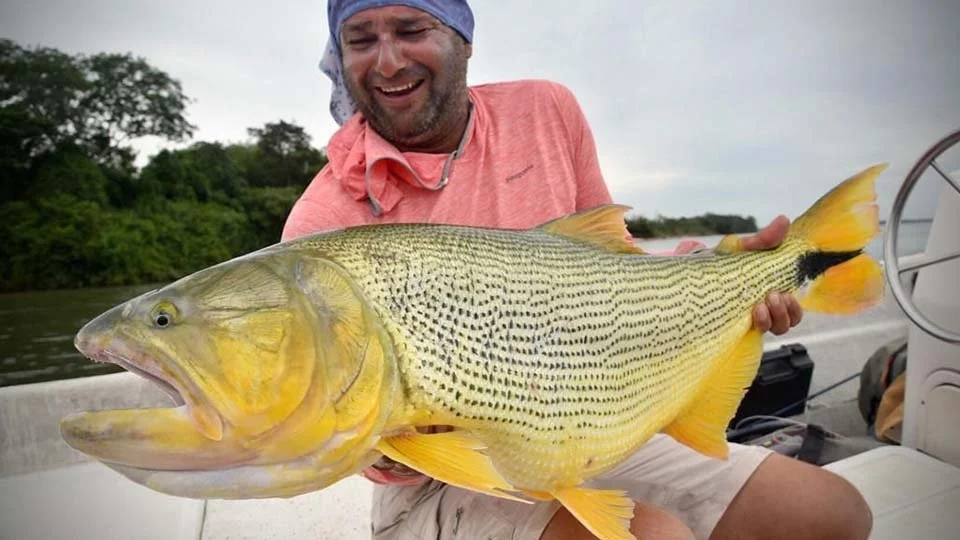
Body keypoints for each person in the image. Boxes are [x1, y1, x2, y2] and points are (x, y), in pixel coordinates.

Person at [283, 1, 872, 538]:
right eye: (360, 39)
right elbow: (332, 431)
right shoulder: (323, 223)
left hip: (595, 414)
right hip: (440, 480)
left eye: (412, 29)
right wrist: (373, 440)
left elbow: (613, 269)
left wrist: (715, 273)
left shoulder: (546, 110)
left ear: (463, 38)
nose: (387, 62)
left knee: (833, 515)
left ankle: (803, 262)